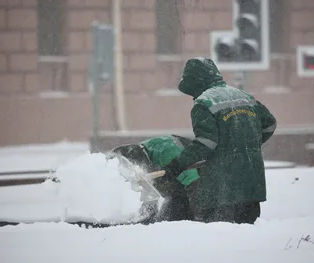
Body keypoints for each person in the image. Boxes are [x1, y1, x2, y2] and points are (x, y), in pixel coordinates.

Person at [160, 57, 277, 224]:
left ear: (196, 83)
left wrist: (177, 165)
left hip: (222, 189)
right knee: (249, 238)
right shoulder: (245, 97)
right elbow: (270, 125)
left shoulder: (204, 103)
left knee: (221, 238)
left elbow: (205, 143)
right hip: (251, 184)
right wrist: (246, 144)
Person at [108, 135, 203, 223]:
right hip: (175, 187)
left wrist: (199, 217)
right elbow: (148, 192)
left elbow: (194, 183)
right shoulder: (140, 151)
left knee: (174, 220)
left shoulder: (168, 152)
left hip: (199, 186)